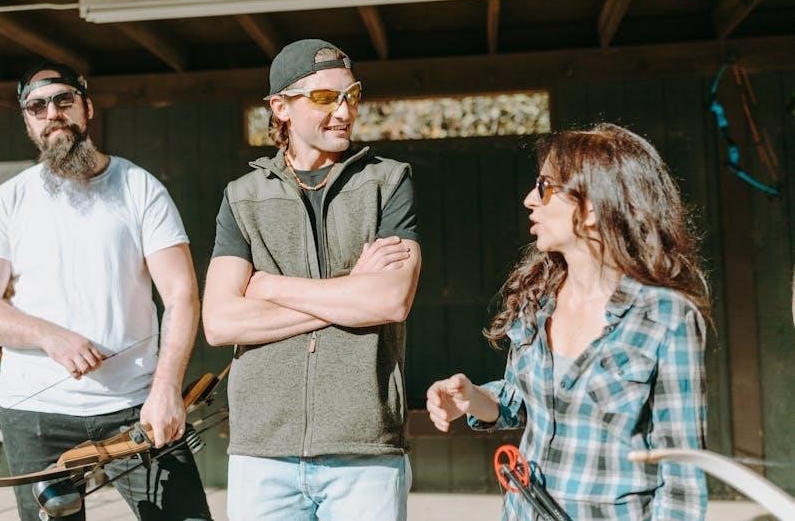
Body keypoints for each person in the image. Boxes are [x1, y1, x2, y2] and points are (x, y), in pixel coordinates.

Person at [0, 61, 212, 521]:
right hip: (34, 414)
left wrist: (166, 389)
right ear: (28, 121)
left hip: (136, 406)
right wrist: (48, 335)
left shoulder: (139, 187)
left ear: (87, 108)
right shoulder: (7, 201)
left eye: (63, 100)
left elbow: (180, 295)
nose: (52, 113)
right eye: (37, 107)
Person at [426, 123, 709, 520]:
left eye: (544, 187)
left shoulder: (666, 317)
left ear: (592, 206)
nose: (529, 200)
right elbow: (520, 402)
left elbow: (682, 476)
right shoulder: (536, 299)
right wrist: (474, 398)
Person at [202, 39, 422, 521]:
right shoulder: (242, 197)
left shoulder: (387, 181)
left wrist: (271, 287)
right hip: (262, 450)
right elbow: (219, 322)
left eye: (352, 95)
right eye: (325, 98)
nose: (344, 111)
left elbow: (389, 300)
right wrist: (349, 291)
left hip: (364, 445)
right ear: (281, 107)